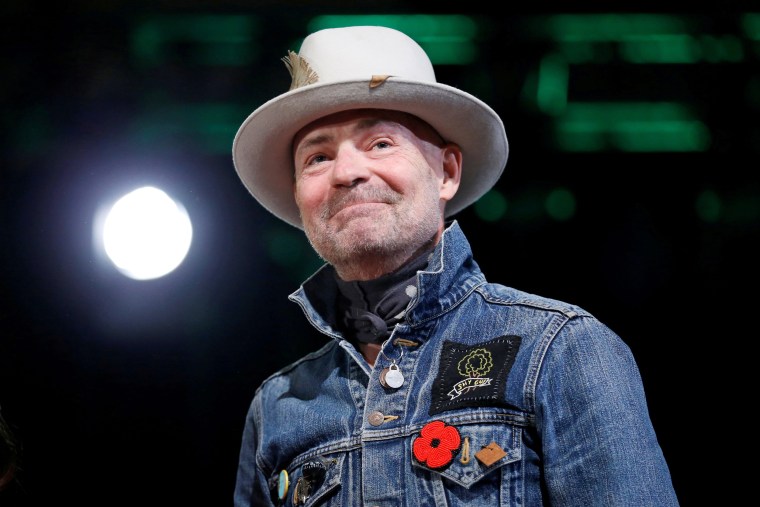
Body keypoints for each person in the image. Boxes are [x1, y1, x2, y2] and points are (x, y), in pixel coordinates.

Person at [231, 25, 678, 506]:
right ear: (301, 198)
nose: (347, 171)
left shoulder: (560, 350)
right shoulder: (276, 407)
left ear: (446, 172)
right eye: (317, 157)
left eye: (381, 144)